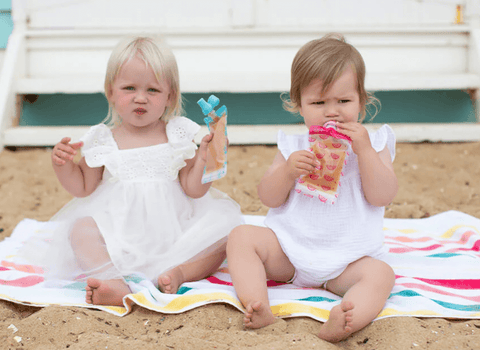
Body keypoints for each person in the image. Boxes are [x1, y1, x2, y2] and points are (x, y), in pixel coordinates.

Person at [18, 36, 242, 306]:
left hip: (174, 232)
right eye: (129, 88)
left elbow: (193, 189)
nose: (140, 98)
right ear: (111, 91)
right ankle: (113, 280)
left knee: (224, 233)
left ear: (170, 96)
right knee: (80, 229)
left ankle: (179, 272)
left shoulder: (177, 134)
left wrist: (206, 159)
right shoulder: (103, 139)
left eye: (153, 90)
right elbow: (83, 187)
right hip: (119, 234)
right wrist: (63, 165)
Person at [226, 33, 398, 343]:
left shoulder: (373, 144)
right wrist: (288, 172)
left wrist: (366, 153)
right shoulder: (293, 145)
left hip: (348, 262)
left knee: (381, 275)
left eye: (344, 101)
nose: (332, 112)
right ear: (299, 106)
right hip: (290, 254)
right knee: (241, 237)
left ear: (362, 100)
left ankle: (346, 318)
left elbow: (383, 196)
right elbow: (268, 197)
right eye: (318, 103)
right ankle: (258, 304)